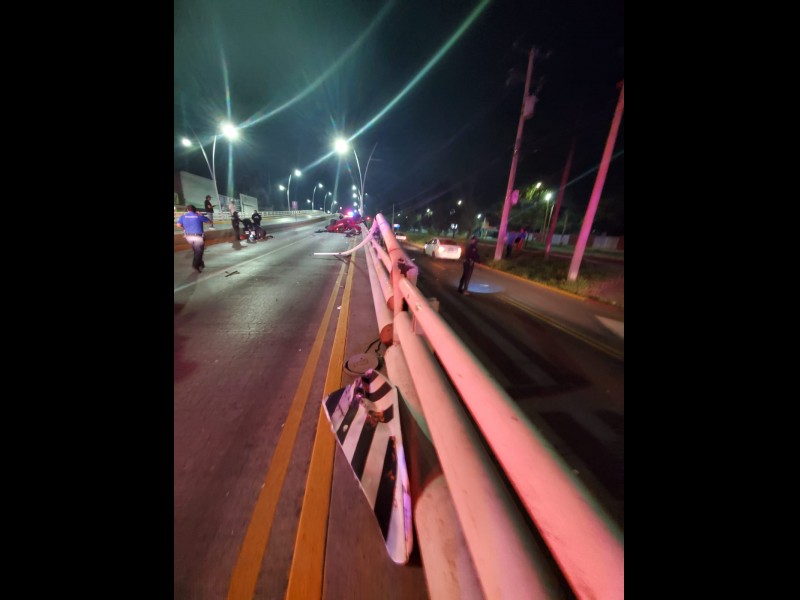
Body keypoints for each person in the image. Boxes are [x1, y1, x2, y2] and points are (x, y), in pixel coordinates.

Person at [176, 204, 211, 273]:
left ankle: (200, 263)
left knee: (196, 250)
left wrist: (185, 227)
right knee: (199, 252)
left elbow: (178, 225)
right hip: (198, 237)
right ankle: (196, 265)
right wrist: (201, 215)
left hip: (188, 237)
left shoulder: (183, 216)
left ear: (187, 210)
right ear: (195, 210)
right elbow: (209, 222)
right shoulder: (198, 216)